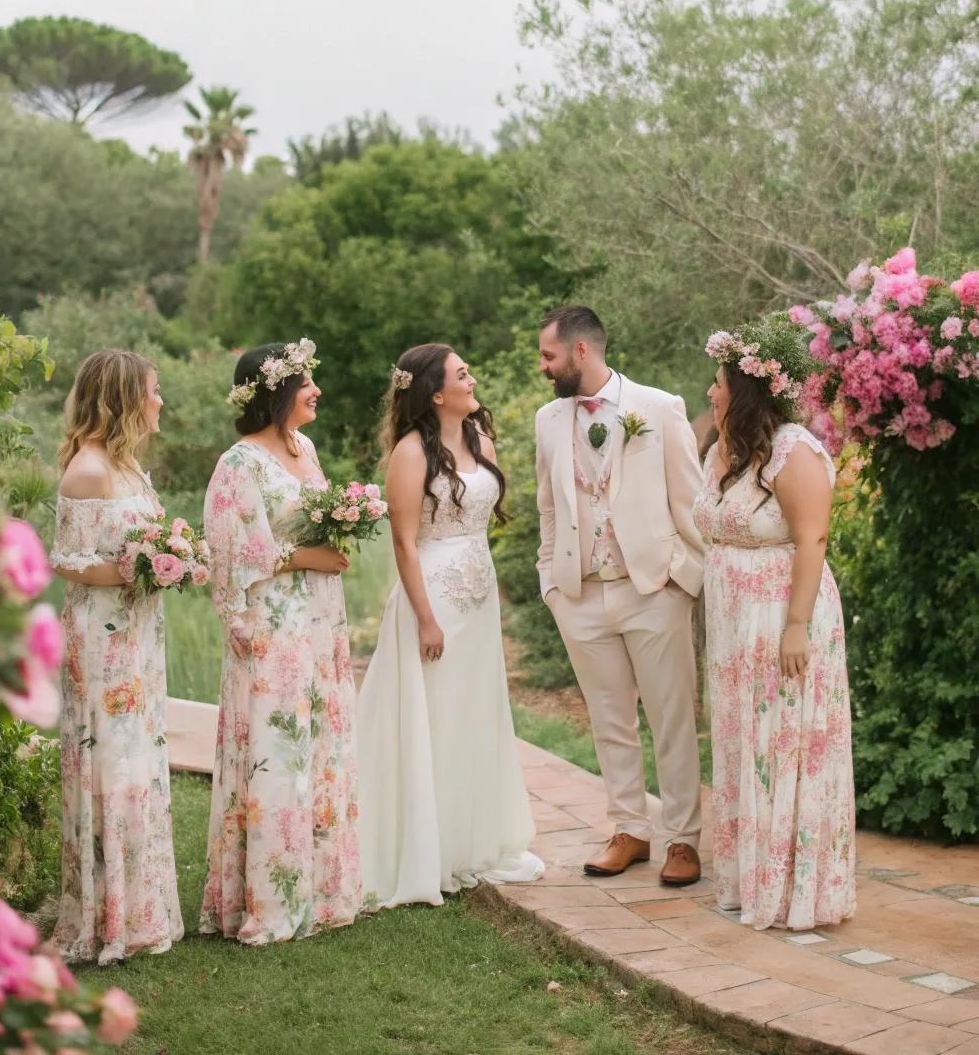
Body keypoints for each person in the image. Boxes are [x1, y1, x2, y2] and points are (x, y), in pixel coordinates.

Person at [356, 344, 544, 908]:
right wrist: (426, 619)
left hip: (478, 597)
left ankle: (467, 838)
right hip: (433, 597)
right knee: (431, 715)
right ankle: (422, 849)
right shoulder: (411, 454)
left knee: (471, 711)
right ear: (436, 393)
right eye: (463, 373)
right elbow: (405, 543)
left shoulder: (480, 441)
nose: (473, 377)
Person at [695, 313, 855, 930]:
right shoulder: (725, 450)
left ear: (747, 388)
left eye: (719, 381)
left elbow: (812, 538)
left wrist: (795, 626)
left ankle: (795, 889)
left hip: (782, 615)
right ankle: (750, 878)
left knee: (786, 741)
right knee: (746, 741)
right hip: (734, 624)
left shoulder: (794, 450)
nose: (711, 391)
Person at [536, 305, 706, 886]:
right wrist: (553, 586)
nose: (544, 366)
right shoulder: (546, 421)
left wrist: (685, 578)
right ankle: (630, 829)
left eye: (549, 355)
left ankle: (683, 839)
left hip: (654, 590)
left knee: (672, 719)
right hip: (580, 595)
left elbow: (693, 502)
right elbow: (549, 509)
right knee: (610, 722)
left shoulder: (658, 409)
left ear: (581, 351)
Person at [200, 340, 360, 945]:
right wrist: (304, 556)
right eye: (306, 382)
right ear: (275, 392)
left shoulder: (306, 448)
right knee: (277, 747)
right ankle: (270, 899)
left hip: (322, 619)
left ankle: (319, 891)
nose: (317, 391)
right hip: (274, 623)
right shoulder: (238, 464)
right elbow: (230, 552)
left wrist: (341, 533)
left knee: (318, 742)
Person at [51, 348, 183, 965]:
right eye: (153, 391)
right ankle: (106, 916)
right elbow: (70, 562)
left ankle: (141, 910)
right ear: (126, 397)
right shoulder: (90, 470)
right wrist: (146, 568)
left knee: (138, 763)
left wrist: (169, 559)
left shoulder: (129, 468)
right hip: (101, 638)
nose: (160, 401)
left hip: (136, 632)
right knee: (110, 765)